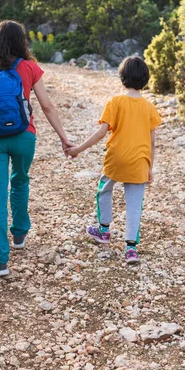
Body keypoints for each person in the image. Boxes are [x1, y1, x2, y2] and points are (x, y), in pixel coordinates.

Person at [0, 20, 73, 277]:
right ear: (21, 41)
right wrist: (63, 137)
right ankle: (19, 234)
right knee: (20, 180)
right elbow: (47, 106)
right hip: (24, 137)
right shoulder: (30, 68)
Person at [67, 56, 162, 264]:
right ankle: (131, 249)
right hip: (140, 161)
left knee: (104, 190)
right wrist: (150, 167)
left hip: (116, 159)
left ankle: (104, 230)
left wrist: (78, 149)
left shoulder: (115, 101)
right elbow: (153, 141)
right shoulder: (149, 107)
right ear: (145, 80)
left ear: (122, 78)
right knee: (135, 204)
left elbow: (101, 132)